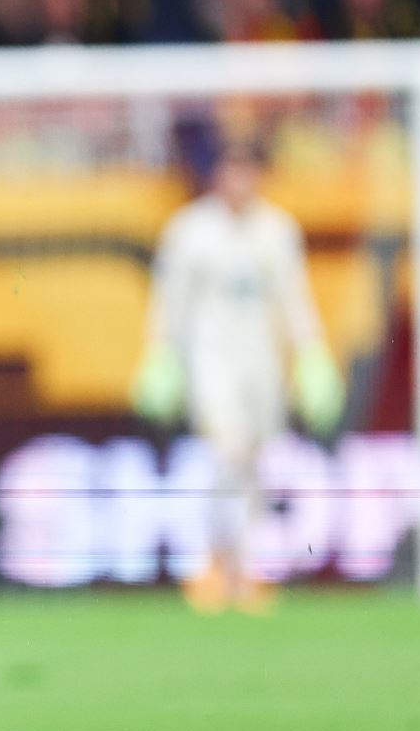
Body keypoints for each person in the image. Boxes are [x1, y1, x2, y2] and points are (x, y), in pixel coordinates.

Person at [132, 139, 343, 613]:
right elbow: (170, 302)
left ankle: (242, 566)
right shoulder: (189, 230)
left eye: (249, 170)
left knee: (251, 461)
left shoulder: (276, 229)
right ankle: (213, 561)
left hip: (262, 365)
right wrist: (159, 356)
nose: (240, 181)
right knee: (227, 451)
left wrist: (313, 355)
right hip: (210, 361)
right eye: (232, 169)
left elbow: (295, 300)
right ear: (217, 175)